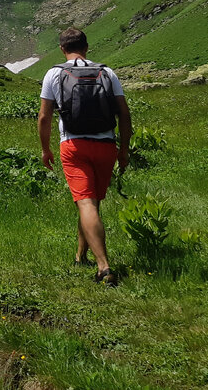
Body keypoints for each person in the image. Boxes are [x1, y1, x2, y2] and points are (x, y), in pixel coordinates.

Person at [37, 27, 132, 285]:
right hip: (106, 145)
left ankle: (104, 266)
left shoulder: (54, 73)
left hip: (74, 145)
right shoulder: (107, 72)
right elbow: (124, 113)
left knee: (86, 203)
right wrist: (123, 149)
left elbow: (45, 116)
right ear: (87, 47)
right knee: (91, 203)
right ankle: (80, 256)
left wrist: (45, 149)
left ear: (62, 49)